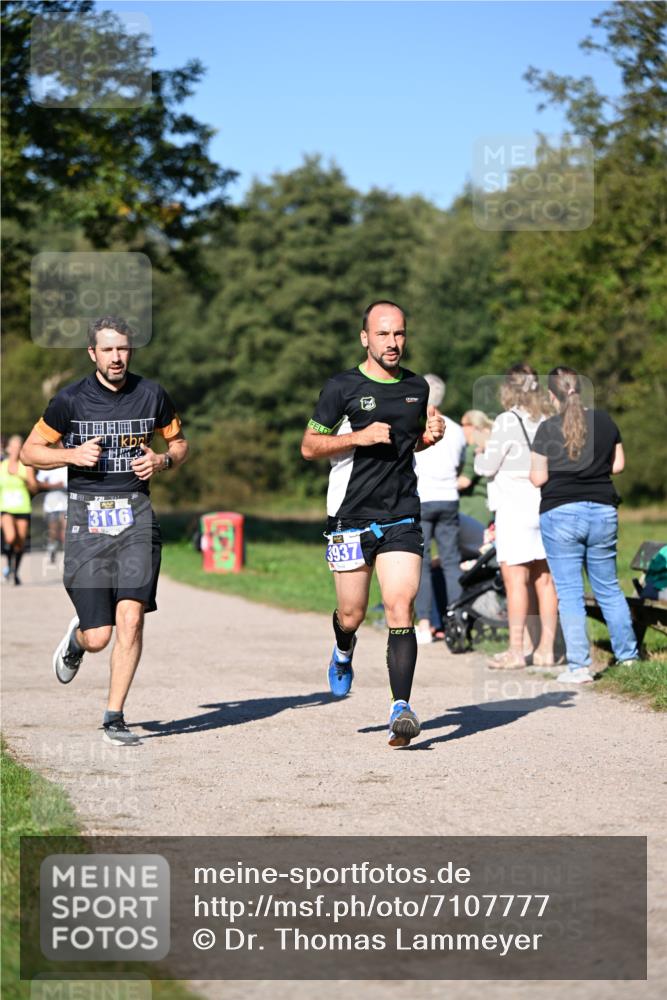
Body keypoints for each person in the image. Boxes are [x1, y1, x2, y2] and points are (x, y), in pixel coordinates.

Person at [20, 316, 188, 746]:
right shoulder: (70, 400)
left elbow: (180, 444)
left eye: (123, 349)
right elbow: (30, 451)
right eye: (108, 350)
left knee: (130, 619)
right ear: (93, 353)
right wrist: (72, 455)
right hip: (86, 520)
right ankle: (78, 640)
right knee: (99, 637)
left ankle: (114, 717)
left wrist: (163, 461)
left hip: (136, 518)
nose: (117, 357)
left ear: (131, 352)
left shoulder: (151, 395)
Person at [301, 300, 444, 746]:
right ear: (365, 338)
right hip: (349, 518)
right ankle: (343, 650)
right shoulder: (341, 387)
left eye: (399, 334)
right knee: (352, 613)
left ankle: (400, 707)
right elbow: (309, 446)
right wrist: (358, 437)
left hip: (402, 513)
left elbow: (406, 446)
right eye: (383, 334)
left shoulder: (417, 388)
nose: (393, 343)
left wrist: (427, 439)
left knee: (401, 607)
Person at [530, 366, 639, 683]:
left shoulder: (547, 428)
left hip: (561, 512)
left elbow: (538, 477)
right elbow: (617, 465)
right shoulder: (605, 421)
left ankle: (579, 667)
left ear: (552, 395)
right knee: (608, 588)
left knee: (570, 592)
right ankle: (628, 657)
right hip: (603, 510)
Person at [474, 364, 558, 669]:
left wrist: (480, 452)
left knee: (515, 581)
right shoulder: (548, 418)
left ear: (509, 389)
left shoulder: (508, 421)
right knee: (545, 580)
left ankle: (516, 650)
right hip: (545, 505)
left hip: (514, 509)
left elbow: (486, 466)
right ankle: (546, 649)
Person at [413, 374, 466, 644]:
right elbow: (459, 465)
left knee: (420, 564)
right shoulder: (456, 430)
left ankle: (424, 624)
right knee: (450, 562)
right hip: (448, 498)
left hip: (421, 498)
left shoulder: (414, 425)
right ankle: (456, 620)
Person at [0, 434, 39, 585]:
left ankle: (15, 571)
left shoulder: (26, 466)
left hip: (22, 506)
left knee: (19, 542)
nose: (15, 450)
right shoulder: (2, 466)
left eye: (18, 447)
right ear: (8, 448)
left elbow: (34, 488)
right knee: (10, 537)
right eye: (13, 447)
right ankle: (9, 565)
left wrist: (23, 478)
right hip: (5, 508)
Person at [457, 409, 494, 553]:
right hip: (486, 507)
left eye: (463, 424)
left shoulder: (473, 449)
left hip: (472, 509)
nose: (461, 429)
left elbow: (464, 481)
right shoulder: (488, 446)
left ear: (473, 427)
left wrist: (441, 485)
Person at [37, 465, 68, 563]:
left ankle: (66, 553)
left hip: (66, 501)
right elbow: (38, 483)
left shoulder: (69, 462)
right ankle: (52, 548)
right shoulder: (49, 463)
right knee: (53, 530)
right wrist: (55, 486)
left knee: (66, 528)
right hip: (52, 503)